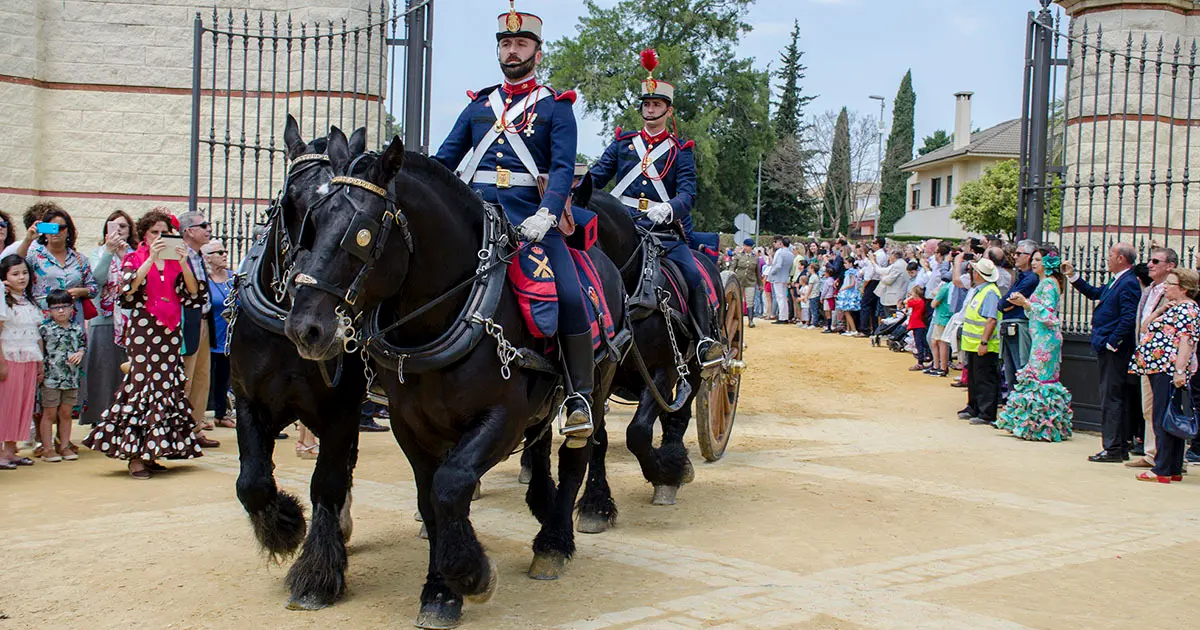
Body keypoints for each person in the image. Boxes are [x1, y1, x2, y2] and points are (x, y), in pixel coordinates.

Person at [433, 4, 596, 438]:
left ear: (537, 53)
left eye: (520, 43)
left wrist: (547, 212)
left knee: (569, 293)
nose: (512, 50)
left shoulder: (556, 108)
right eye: (505, 43)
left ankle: (579, 396)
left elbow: (562, 168)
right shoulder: (478, 107)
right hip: (476, 221)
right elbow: (443, 162)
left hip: (531, 222)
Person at [83, 210, 206, 479]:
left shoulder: (176, 260)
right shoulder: (134, 258)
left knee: (166, 386)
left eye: (164, 233)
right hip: (143, 330)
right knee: (141, 386)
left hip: (171, 331)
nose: (160, 237)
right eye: (154, 233)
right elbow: (128, 289)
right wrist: (151, 258)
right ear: (145, 234)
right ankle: (135, 456)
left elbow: (194, 293)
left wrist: (184, 263)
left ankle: (153, 450)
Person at [1064, 243, 1142, 462]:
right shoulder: (1118, 280)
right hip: (1108, 345)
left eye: (1110, 256)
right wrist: (1074, 277)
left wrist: (1113, 342)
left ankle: (1113, 447)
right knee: (1114, 396)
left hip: (1115, 350)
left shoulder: (1128, 283)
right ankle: (1118, 444)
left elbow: (1129, 316)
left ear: (1121, 258)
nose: (1107, 259)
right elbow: (1095, 293)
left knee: (1112, 397)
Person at [1128, 269, 1200, 483]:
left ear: (1183, 288)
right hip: (1156, 367)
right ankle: (1172, 467)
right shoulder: (1172, 308)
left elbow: (1187, 342)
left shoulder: (1188, 308)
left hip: (1167, 368)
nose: (1166, 287)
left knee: (1164, 417)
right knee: (1168, 417)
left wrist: (1179, 370)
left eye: (1171, 284)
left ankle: (1162, 468)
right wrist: (1158, 312)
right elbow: (1144, 327)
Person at [996, 250, 1073, 441]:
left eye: (1038, 260)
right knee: (1037, 377)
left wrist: (1025, 303)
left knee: (1040, 379)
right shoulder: (1045, 282)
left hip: (1045, 340)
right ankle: (1035, 425)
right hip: (1040, 336)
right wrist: (1026, 305)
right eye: (1034, 259)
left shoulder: (1048, 283)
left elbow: (1048, 315)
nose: (1034, 263)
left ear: (1048, 263)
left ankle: (1041, 428)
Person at [1126, 247, 1179, 470]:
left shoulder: (1176, 293)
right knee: (1148, 407)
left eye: (1156, 261)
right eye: (1149, 260)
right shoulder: (1150, 289)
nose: (1150, 264)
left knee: (1164, 408)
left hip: (1165, 358)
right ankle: (1151, 452)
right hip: (1146, 354)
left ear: (1170, 266)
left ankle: (1169, 457)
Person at [84, 210, 137, 426]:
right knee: (102, 373)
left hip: (130, 322)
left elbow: (138, 282)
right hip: (103, 320)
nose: (119, 230)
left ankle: (124, 419)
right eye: (114, 226)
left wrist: (125, 256)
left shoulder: (135, 254)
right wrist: (109, 252)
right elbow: (95, 282)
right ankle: (101, 420)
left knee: (126, 374)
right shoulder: (97, 253)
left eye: (123, 226)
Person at [177, 211, 219, 449]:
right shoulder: (179, 255)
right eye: (204, 225)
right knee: (187, 378)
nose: (208, 229)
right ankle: (181, 431)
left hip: (204, 320)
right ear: (189, 231)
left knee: (203, 378)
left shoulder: (200, 255)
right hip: (187, 322)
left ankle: (196, 428)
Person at [0, 255, 42, 470]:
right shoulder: (2, 300)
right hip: (9, 357)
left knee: (22, 405)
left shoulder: (29, 300)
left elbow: (35, 334)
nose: (21, 277)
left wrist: (41, 363)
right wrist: (1, 363)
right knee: (6, 404)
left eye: (24, 272)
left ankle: (11, 450)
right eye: (15, 274)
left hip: (29, 358)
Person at [37, 289, 86, 462]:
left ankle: (64, 446)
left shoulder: (77, 329)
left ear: (71, 307)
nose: (60, 311)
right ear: (49, 310)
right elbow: (39, 352)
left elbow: (82, 346)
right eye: (56, 307)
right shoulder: (44, 329)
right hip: (50, 378)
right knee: (49, 413)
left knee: (66, 413)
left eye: (64, 307)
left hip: (71, 378)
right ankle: (47, 448)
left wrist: (80, 353)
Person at [958, 258, 1003, 426]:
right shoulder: (981, 290)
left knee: (985, 378)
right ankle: (974, 406)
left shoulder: (990, 292)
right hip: (972, 342)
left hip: (984, 344)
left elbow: (991, 319)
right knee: (974, 377)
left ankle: (986, 413)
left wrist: (984, 342)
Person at [999, 240, 1039, 399]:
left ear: (1028, 256)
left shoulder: (1030, 279)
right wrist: (1007, 304)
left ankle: (1019, 407)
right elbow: (1004, 303)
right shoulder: (1021, 276)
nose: (1014, 257)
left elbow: (1007, 301)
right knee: (1010, 370)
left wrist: (1007, 304)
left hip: (1020, 325)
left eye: (1018, 254)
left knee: (1019, 367)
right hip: (1010, 323)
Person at [203, 240, 235, 429]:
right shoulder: (206, 279)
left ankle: (221, 414)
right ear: (207, 257)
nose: (224, 254)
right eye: (219, 252)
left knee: (224, 377)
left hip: (229, 336)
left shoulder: (232, 278)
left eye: (225, 251)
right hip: (211, 334)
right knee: (206, 377)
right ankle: (199, 416)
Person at [730, 238, 760, 327]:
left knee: (750, 301)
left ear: (751, 247)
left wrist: (760, 284)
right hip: (739, 281)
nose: (746, 248)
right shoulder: (738, 256)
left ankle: (750, 320)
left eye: (748, 246)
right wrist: (731, 276)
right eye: (745, 246)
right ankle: (736, 319)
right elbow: (732, 267)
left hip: (751, 281)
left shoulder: (755, 258)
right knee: (738, 300)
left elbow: (757, 272)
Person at [927, 273, 953, 377]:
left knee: (940, 343)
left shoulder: (944, 288)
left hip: (941, 317)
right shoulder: (951, 287)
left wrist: (935, 292)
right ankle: (937, 365)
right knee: (935, 341)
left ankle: (942, 367)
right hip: (944, 317)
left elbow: (933, 304)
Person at [765, 236, 795, 324]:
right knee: (783, 297)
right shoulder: (791, 254)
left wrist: (772, 272)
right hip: (785, 276)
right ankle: (784, 316)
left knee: (780, 297)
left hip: (778, 276)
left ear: (782, 243)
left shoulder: (780, 252)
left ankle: (782, 317)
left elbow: (778, 265)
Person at [875, 250, 907, 317]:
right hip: (896, 297)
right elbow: (882, 271)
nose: (889, 258)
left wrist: (881, 277)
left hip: (894, 298)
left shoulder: (897, 265)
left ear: (894, 256)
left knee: (892, 318)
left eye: (890, 256)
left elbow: (888, 280)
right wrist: (873, 262)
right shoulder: (899, 264)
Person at [906, 285, 930, 370]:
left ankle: (920, 362)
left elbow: (906, 303)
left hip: (917, 324)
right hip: (918, 324)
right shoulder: (921, 301)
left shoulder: (918, 301)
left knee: (919, 344)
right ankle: (924, 359)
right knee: (921, 343)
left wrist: (910, 297)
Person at [837, 257, 862, 336]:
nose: (844, 265)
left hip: (849, 293)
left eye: (846, 263)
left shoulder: (851, 272)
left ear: (851, 264)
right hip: (848, 292)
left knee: (847, 312)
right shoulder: (850, 272)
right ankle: (849, 329)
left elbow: (852, 284)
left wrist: (843, 288)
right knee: (846, 312)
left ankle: (853, 329)